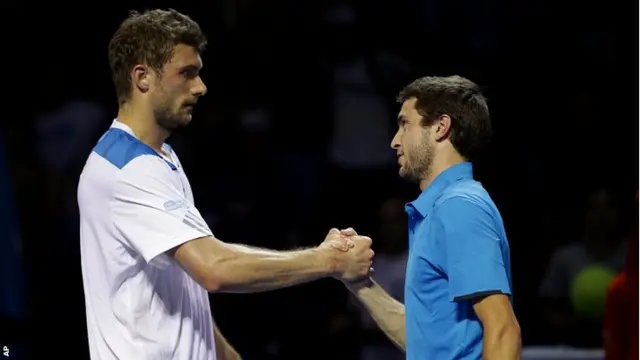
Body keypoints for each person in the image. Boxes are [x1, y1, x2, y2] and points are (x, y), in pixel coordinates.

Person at [77, 9, 374, 360]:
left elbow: (188, 275)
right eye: (187, 74)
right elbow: (214, 269)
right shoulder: (130, 169)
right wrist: (328, 261)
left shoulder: (161, 156)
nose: (200, 87)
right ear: (142, 77)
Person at [340, 76, 521, 359]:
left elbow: (502, 329)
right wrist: (356, 280)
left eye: (404, 124)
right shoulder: (442, 209)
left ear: (440, 127)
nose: (394, 141)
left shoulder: (460, 207)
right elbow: (426, 341)